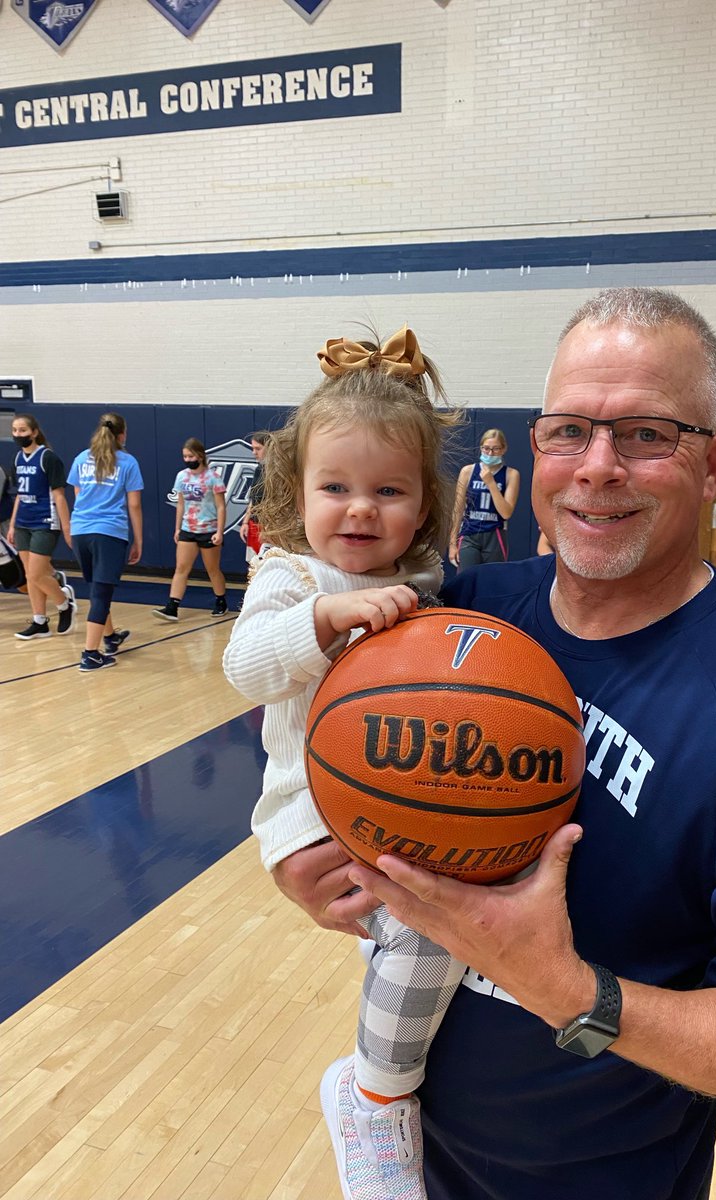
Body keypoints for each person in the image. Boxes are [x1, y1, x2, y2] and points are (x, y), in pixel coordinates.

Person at [267, 289, 716, 1200]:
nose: (598, 468)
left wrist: (568, 989)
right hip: (415, 1163)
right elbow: (305, 715)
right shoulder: (460, 610)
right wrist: (304, 853)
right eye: (569, 432)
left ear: (713, 466)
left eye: (645, 435)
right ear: (535, 445)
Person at [223, 325, 465, 1200]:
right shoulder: (290, 580)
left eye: (387, 490)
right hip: (306, 815)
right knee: (432, 931)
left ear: (424, 506)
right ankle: (373, 1096)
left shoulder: (431, 581)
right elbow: (242, 668)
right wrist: (325, 624)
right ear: (297, 490)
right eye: (336, 487)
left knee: (449, 925)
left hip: (396, 808)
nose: (359, 510)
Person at [68, 412, 143, 671]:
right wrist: (138, 540)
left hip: (80, 532)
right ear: (122, 435)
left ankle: (110, 637)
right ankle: (90, 654)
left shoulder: (81, 458)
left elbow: (78, 496)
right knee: (100, 593)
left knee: (98, 588)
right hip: (109, 532)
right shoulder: (128, 462)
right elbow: (134, 504)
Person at [7, 413, 76, 639]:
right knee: (30, 575)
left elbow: (60, 496)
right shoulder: (17, 459)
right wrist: (12, 524)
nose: (19, 435)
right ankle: (40, 621)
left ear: (34, 432)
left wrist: (67, 528)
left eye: (23, 431)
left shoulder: (48, 458)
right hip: (23, 523)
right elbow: (19, 495)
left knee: (36, 574)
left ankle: (64, 604)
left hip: (46, 521)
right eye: (15, 431)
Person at [153, 438, 229, 622]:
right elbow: (180, 504)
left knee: (212, 569)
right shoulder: (182, 476)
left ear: (200, 455)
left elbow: (220, 506)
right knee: (181, 567)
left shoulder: (213, 478)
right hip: (188, 528)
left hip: (208, 529)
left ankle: (221, 600)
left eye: (190, 455)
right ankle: (172, 606)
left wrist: (220, 531)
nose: (187, 459)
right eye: (185, 456)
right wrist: (177, 528)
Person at [448, 428, 520, 569]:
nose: (490, 453)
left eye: (495, 449)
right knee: (466, 580)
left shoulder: (511, 474)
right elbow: (458, 509)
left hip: (495, 534)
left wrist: (491, 483)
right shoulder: (468, 471)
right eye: (486, 448)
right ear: (481, 448)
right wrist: (452, 544)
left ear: (504, 449)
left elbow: (506, 513)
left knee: (492, 582)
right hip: (469, 533)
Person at [238, 430, 270, 564]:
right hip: (254, 524)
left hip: (269, 527)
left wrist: (269, 529)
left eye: (258, 448)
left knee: (267, 564)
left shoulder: (279, 472)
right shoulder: (259, 469)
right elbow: (253, 499)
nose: (254, 452)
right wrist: (246, 522)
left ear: (269, 448)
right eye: (252, 448)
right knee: (253, 565)